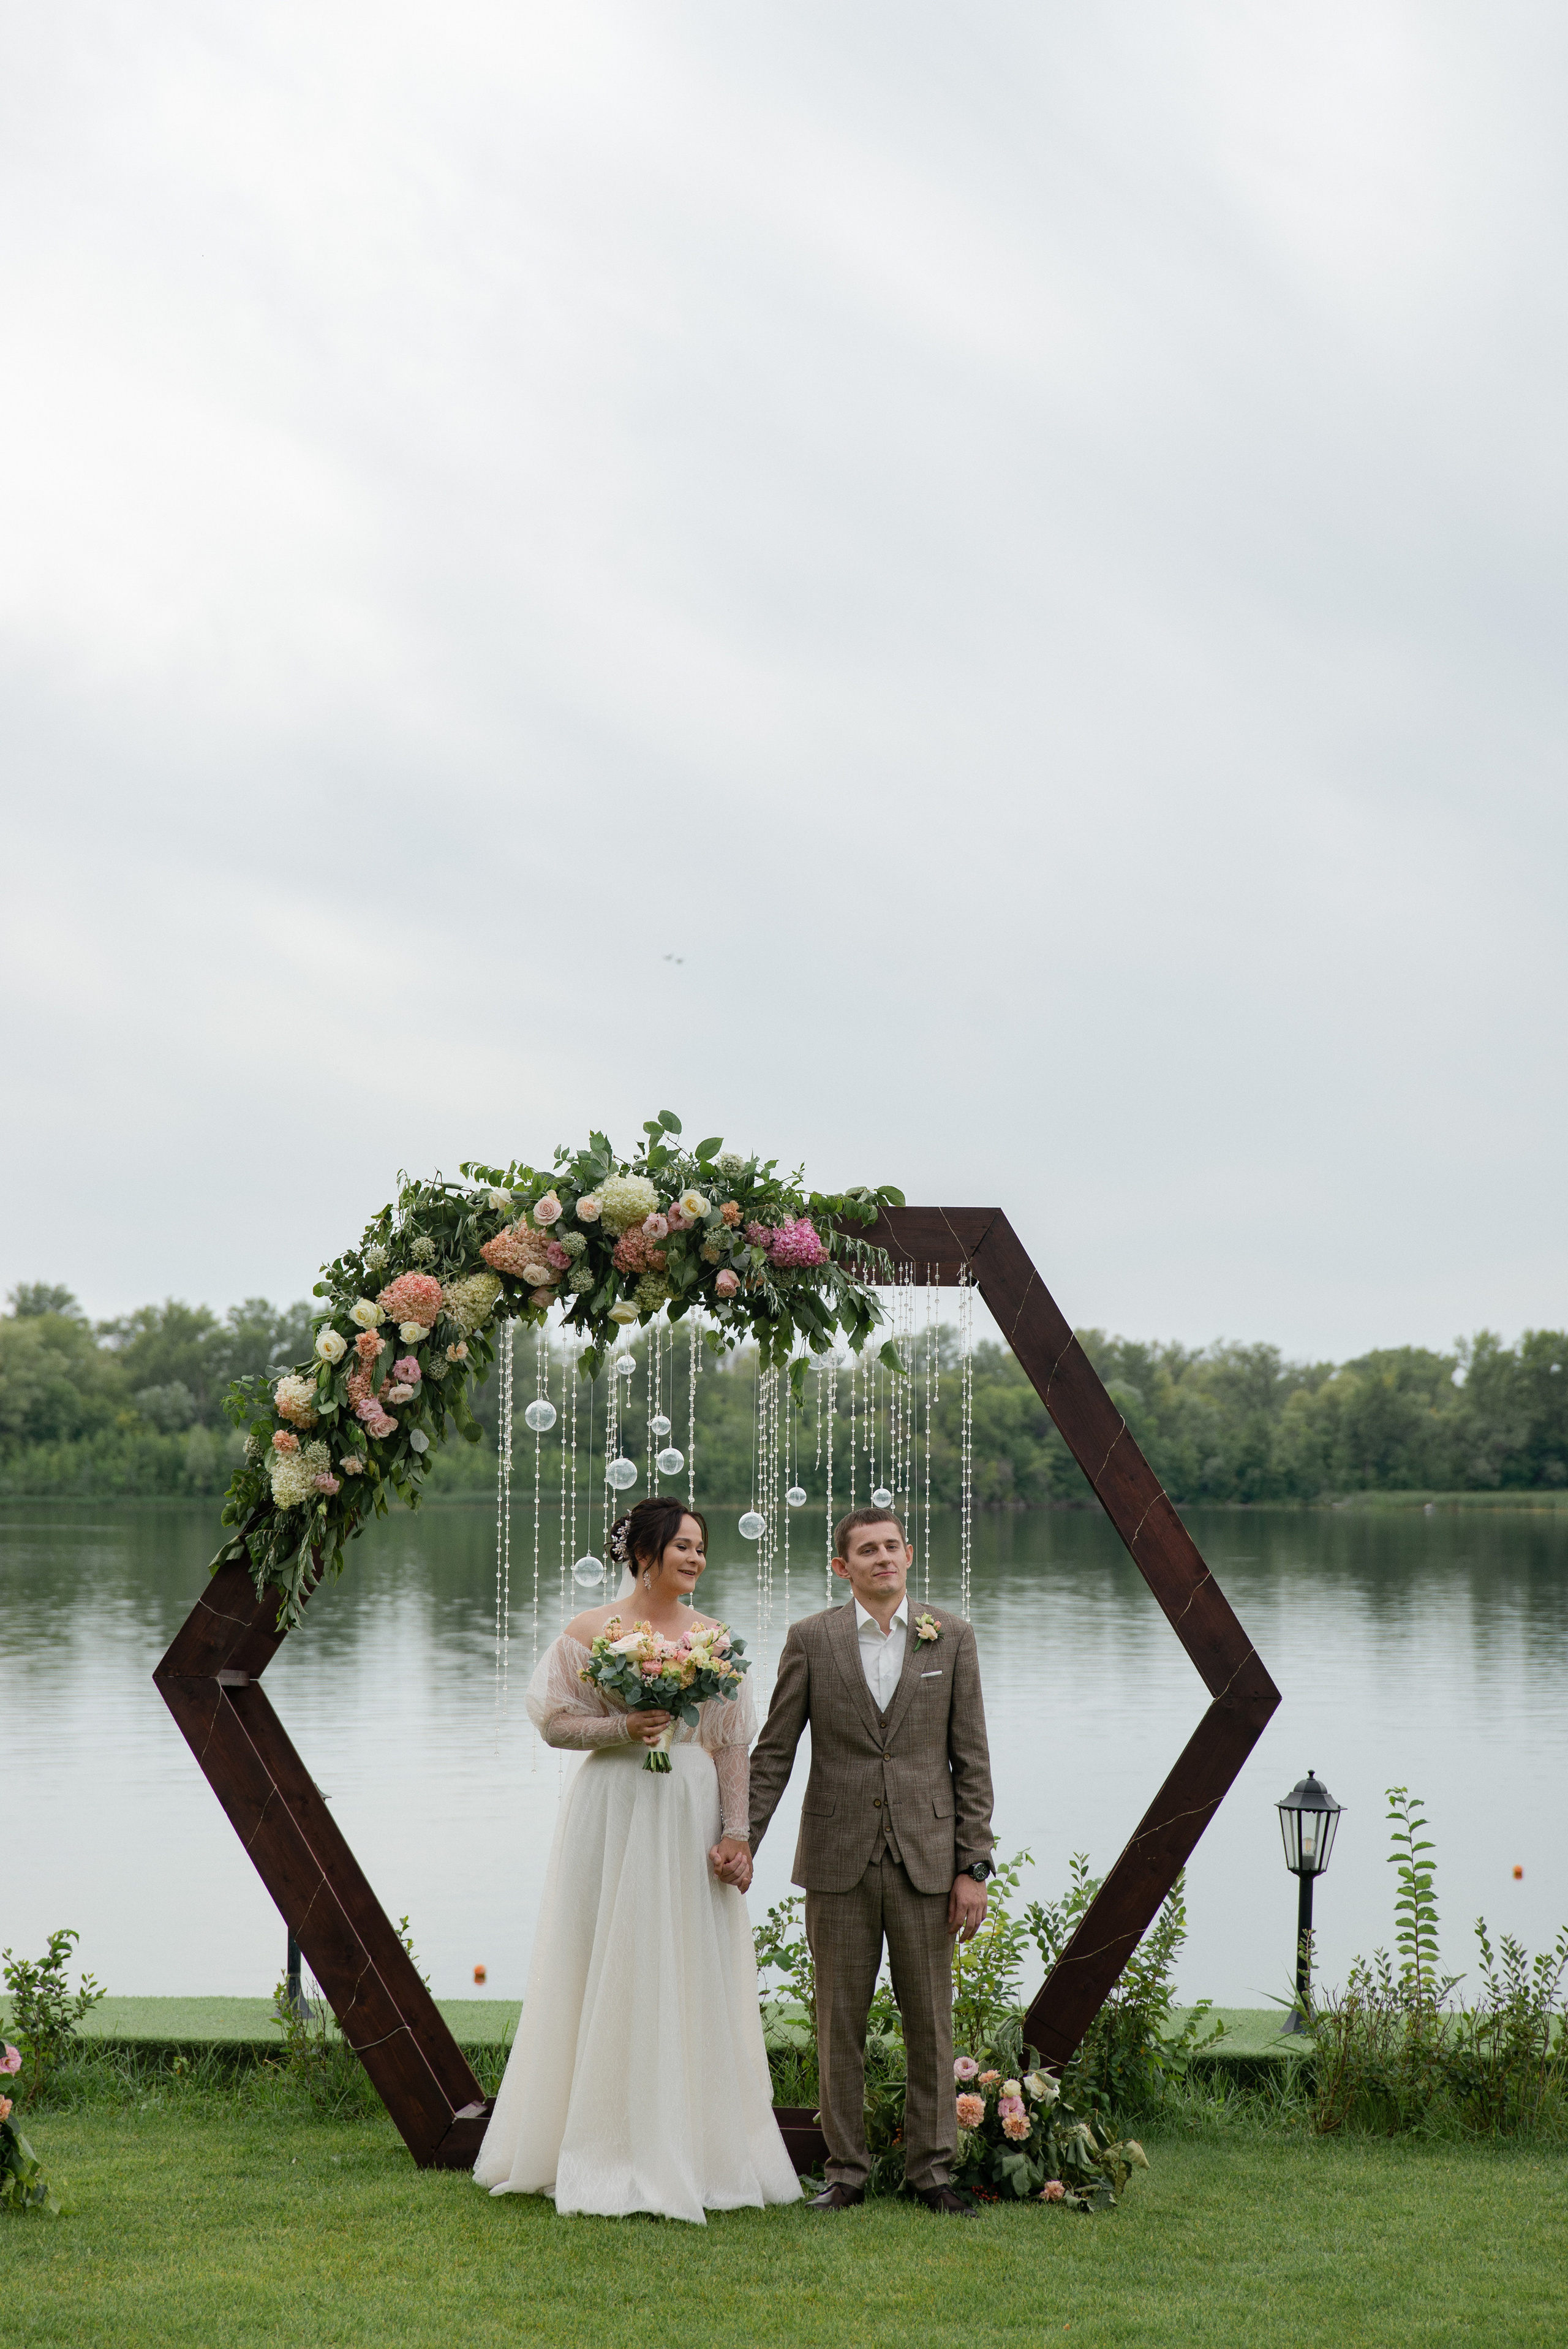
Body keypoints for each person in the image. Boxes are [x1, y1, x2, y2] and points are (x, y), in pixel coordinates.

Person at [473, 1496, 800, 2223]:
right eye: (682, 1546)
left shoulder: (716, 1640)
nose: (695, 1559)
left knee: (686, 1959)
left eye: (701, 1548)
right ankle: (592, 2143)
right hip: (614, 1805)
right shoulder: (591, 1632)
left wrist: (738, 1834)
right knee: (603, 1956)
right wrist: (624, 1726)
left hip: (687, 1806)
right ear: (643, 1553)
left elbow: (731, 1742)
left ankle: (697, 2147)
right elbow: (555, 1723)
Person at [712, 1505, 995, 2215]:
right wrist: (741, 1835)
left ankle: (932, 2172)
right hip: (837, 1858)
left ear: (907, 1555)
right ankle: (846, 2172)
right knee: (838, 2021)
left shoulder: (950, 1637)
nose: (882, 1560)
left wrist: (974, 1867)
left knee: (930, 2021)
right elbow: (774, 1751)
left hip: (926, 1861)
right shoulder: (811, 1639)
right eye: (866, 1551)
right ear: (842, 1567)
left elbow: (972, 1762)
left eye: (892, 1547)